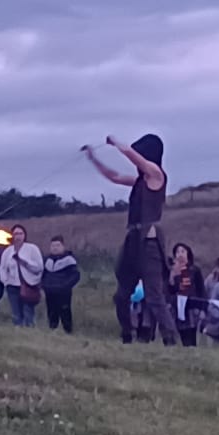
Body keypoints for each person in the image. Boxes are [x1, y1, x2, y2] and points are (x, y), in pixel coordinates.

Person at [84, 135, 179, 347]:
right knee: (121, 295)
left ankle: (170, 340)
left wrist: (117, 144)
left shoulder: (156, 175)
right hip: (132, 240)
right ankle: (127, 334)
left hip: (150, 242)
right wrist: (94, 159)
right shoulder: (139, 181)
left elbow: (137, 159)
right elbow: (114, 176)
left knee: (154, 296)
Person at [0, 225, 45, 326]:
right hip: (12, 286)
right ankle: (18, 332)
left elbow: (39, 267)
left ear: (24, 235)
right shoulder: (8, 251)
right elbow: (3, 268)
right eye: (15, 234)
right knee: (16, 313)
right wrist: (5, 281)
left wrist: (24, 261)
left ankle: (29, 332)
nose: (18, 236)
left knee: (28, 312)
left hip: (28, 285)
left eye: (20, 234)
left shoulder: (32, 248)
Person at [167, 243, 205, 346]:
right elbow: (169, 290)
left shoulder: (194, 270)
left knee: (192, 331)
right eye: (177, 252)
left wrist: (202, 308)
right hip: (177, 305)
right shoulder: (171, 270)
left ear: (188, 253)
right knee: (180, 331)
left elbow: (201, 289)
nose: (180, 254)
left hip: (192, 305)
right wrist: (172, 278)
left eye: (183, 251)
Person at [41, 237, 81, 333]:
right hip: (50, 292)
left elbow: (75, 276)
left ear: (63, 246)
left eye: (58, 245)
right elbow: (42, 274)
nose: (55, 248)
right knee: (51, 313)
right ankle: (52, 332)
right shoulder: (47, 260)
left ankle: (68, 332)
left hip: (63, 293)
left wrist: (65, 286)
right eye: (53, 245)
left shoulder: (69, 260)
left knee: (65, 313)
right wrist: (43, 285)